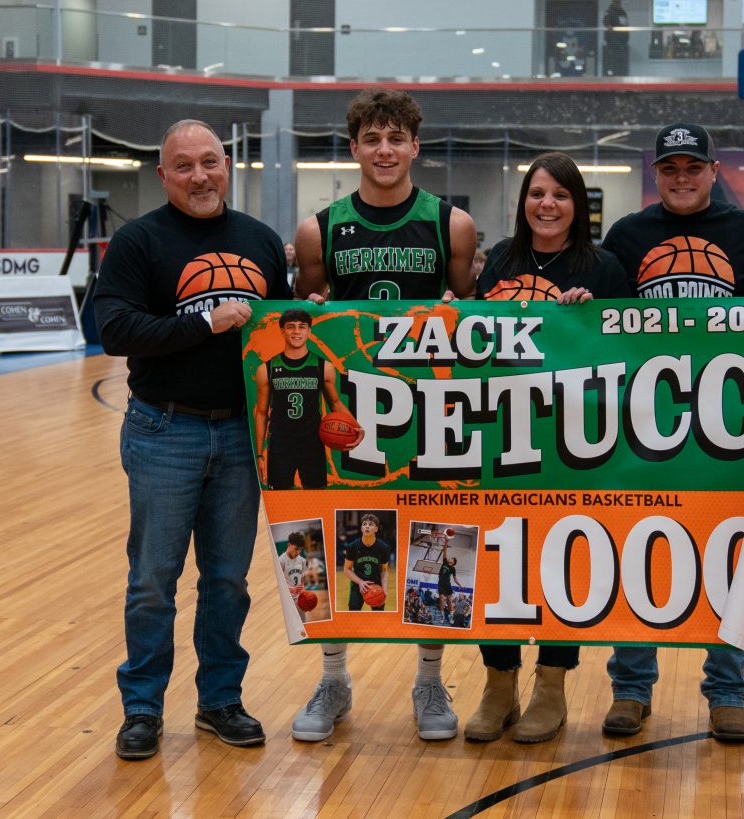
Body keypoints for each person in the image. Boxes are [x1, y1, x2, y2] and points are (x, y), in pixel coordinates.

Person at [94, 118, 291, 760]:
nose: (200, 175)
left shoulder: (261, 241)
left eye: (210, 161)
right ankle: (144, 708)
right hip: (163, 428)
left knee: (228, 580)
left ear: (228, 164)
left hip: (240, 434)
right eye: (185, 165)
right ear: (164, 175)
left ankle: (220, 701)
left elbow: (290, 335)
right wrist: (206, 321)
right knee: (153, 578)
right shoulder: (137, 241)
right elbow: (115, 330)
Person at [291, 87, 477, 743]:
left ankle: (430, 679)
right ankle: (334, 678)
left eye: (396, 137)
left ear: (415, 146)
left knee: (438, 546)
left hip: (426, 418)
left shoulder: (450, 224)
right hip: (350, 419)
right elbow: (302, 324)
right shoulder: (319, 229)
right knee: (336, 542)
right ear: (354, 149)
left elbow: (471, 325)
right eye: (372, 139)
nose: (385, 150)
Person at [600, 122, 744, 742]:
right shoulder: (627, 235)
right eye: (671, 167)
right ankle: (631, 688)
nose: (682, 177)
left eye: (693, 167)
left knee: (731, 558)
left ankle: (727, 692)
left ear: (714, 169)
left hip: (728, 425)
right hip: (641, 422)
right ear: (656, 172)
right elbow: (602, 322)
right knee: (634, 553)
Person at [466, 151, 629, 744]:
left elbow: (625, 355)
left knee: (561, 561)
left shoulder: (605, 267)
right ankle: (497, 685)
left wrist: (588, 322)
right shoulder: (501, 263)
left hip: (571, 441)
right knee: (498, 560)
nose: (547, 204)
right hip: (501, 433)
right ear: (523, 201)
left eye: (560, 194)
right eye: (537, 193)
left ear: (577, 203)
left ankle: (552, 686)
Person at [253, 307, 361, 489]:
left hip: (312, 443)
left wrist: (357, 427)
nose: (296, 332)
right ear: (282, 330)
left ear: (309, 331)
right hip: (280, 444)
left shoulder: (323, 366)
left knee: (317, 502)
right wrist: (260, 455)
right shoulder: (267, 369)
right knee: (280, 504)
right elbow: (262, 413)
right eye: (290, 327)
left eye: (302, 327)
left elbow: (335, 403)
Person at [344, 513, 392, 611]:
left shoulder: (383, 548)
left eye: (371, 524)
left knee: (378, 615)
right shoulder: (352, 546)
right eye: (364, 524)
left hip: (376, 584)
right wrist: (360, 582)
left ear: (376, 529)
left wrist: (385, 590)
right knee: (353, 610)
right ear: (361, 528)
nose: (367, 526)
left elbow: (384, 570)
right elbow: (347, 569)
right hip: (358, 584)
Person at [602, 0, 629, 76]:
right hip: (612, 39)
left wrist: (626, 37)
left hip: (622, 40)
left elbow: (626, 25)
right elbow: (605, 21)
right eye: (617, 3)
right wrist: (609, 26)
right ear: (613, 3)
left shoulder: (623, 12)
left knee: (622, 58)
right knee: (613, 59)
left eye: (619, 3)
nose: (618, 4)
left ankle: (620, 74)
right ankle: (612, 75)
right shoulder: (609, 11)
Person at [436, 540, 457, 625]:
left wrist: (460, 585)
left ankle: (451, 615)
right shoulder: (445, 562)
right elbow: (445, 551)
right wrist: (446, 543)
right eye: (450, 558)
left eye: (451, 559)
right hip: (441, 583)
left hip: (447, 584)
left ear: (453, 562)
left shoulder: (453, 569)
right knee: (441, 599)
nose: (450, 558)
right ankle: (442, 615)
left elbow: (455, 579)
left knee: (449, 600)